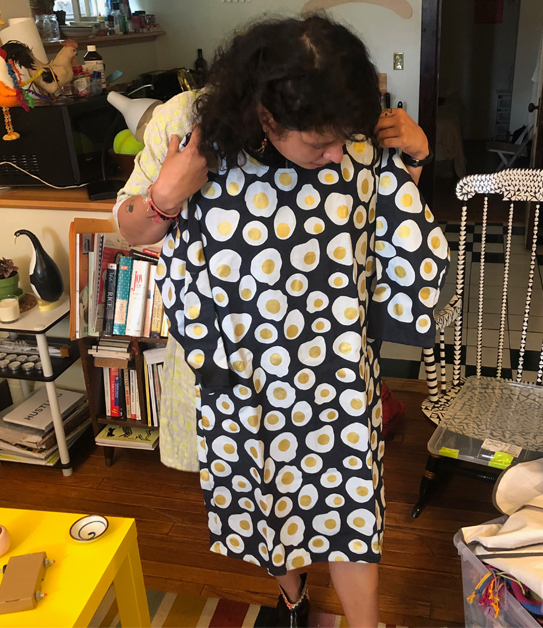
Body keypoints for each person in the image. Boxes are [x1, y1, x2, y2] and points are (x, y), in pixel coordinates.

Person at [114, 15, 447, 628]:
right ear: (267, 116)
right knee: (264, 500)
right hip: (242, 376)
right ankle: (294, 600)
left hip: (337, 374)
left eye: (342, 139)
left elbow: (394, 224)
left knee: (351, 508)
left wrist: (417, 155)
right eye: (319, 142)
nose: (334, 154)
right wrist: (169, 191)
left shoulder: (351, 143)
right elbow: (132, 230)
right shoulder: (192, 138)